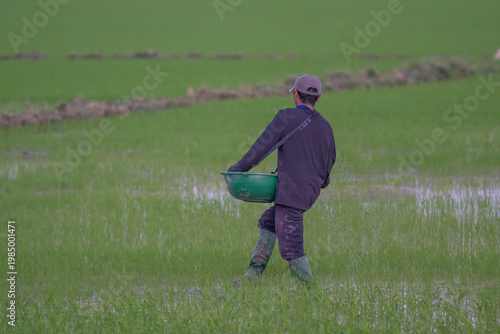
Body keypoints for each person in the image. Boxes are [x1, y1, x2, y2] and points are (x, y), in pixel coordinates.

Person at [227, 75, 336, 283]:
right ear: (319, 98)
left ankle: (309, 291)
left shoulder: (285, 117)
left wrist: (236, 170)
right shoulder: (326, 127)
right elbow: (330, 162)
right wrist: (319, 183)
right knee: (270, 221)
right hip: (309, 192)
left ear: (295, 94)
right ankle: (253, 275)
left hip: (291, 192)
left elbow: (260, 149)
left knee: (291, 244)